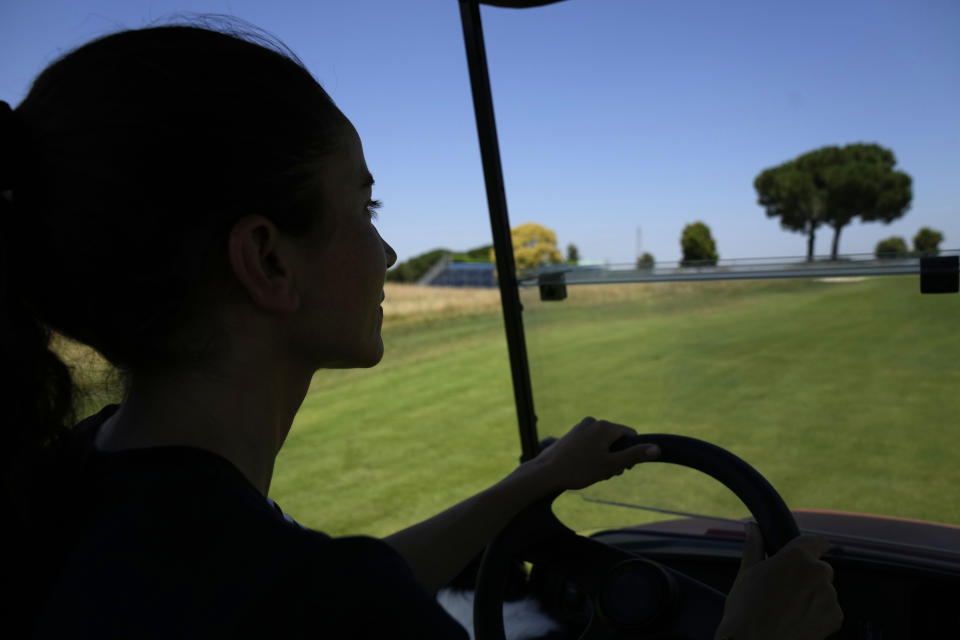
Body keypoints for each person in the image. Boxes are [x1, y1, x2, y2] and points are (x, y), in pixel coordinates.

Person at [0, 21, 842, 639]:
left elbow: (324, 590)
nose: (390, 248)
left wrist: (532, 483)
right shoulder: (311, 605)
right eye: (363, 207)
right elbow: (331, 606)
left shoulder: (79, 477)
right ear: (268, 260)